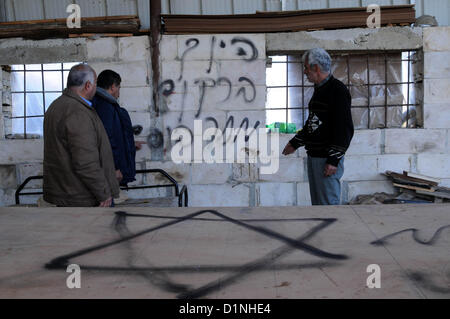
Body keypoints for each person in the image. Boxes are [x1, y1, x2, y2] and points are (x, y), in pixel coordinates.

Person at [282, 48, 354, 205]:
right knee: (318, 206)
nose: (304, 71)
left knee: (328, 205)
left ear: (316, 68)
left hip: (326, 160)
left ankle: (333, 231)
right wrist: (295, 143)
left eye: (306, 67)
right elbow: (313, 123)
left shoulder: (337, 91)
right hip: (315, 157)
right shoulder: (320, 90)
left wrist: (333, 160)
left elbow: (345, 129)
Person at [43, 64, 120, 207]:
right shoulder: (77, 112)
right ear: (88, 85)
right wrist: (103, 193)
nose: (96, 88)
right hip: (83, 197)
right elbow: (85, 161)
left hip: (68, 193)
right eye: (96, 83)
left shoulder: (56, 105)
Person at [92, 70, 145, 187]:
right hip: (109, 171)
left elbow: (114, 135)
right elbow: (106, 139)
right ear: (112, 87)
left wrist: (130, 144)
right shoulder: (105, 107)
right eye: (118, 88)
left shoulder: (99, 103)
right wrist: (115, 168)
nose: (119, 93)